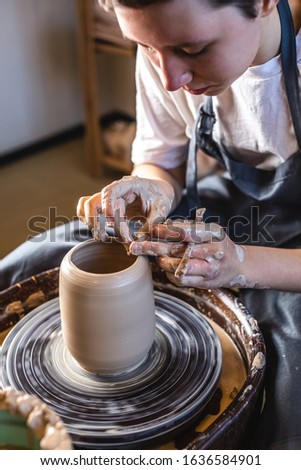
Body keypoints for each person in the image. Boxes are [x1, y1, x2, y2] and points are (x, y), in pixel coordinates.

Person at [1, 0, 300, 449]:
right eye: (145, 47)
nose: (169, 77)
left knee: (287, 383)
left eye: (193, 48)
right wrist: (150, 186)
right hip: (227, 210)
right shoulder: (164, 49)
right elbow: (161, 159)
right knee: (39, 257)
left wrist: (242, 264)